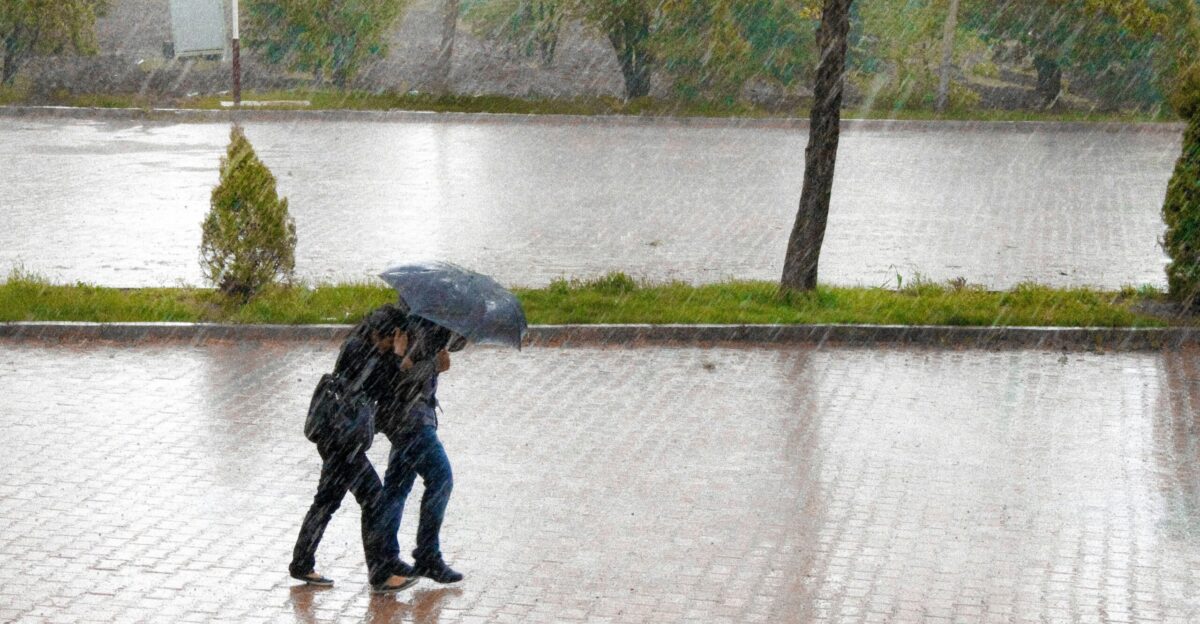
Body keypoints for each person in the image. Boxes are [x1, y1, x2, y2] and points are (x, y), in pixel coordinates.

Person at [289, 304, 417, 594]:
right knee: (373, 498)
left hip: (335, 436)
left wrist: (394, 358)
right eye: (396, 337)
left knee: (327, 500)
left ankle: (301, 562)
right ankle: (381, 574)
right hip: (343, 441)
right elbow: (386, 389)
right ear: (389, 334)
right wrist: (398, 358)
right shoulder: (365, 352)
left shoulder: (359, 344)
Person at [374, 317, 467, 584]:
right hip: (410, 420)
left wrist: (461, 330)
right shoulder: (415, 324)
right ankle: (426, 555)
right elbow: (401, 378)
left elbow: (454, 344)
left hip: (408, 418)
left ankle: (386, 557)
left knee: (397, 487)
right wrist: (434, 365)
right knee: (441, 478)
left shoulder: (433, 320)